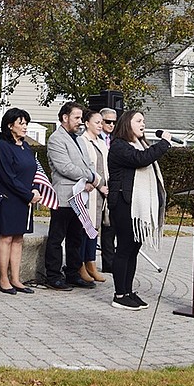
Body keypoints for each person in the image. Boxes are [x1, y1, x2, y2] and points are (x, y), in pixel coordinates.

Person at [108, 110, 171, 311]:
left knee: (133, 249)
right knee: (125, 248)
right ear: (128, 124)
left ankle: (127, 291)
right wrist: (165, 143)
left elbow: (144, 156)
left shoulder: (139, 144)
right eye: (139, 120)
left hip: (136, 205)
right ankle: (119, 294)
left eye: (144, 120)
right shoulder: (119, 145)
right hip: (124, 203)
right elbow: (141, 159)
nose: (143, 124)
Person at [44, 102, 97, 291]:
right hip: (64, 196)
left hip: (80, 196)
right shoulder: (56, 139)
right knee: (57, 237)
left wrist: (91, 179)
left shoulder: (79, 139)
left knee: (76, 237)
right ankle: (53, 276)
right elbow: (64, 167)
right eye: (76, 118)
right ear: (64, 117)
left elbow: (88, 163)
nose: (80, 122)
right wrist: (91, 176)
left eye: (81, 118)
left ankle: (73, 273)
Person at [0, 108, 41, 294]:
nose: (25, 126)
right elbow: (7, 176)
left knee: (19, 238)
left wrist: (35, 188)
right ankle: (4, 279)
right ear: (10, 126)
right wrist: (28, 195)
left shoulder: (25, 146)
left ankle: (16, 279)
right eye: (21, 123)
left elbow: (34, 170)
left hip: (25, 198)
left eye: (26, 122)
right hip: (9, 198)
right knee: (7, 237)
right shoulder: (3, 146)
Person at [79, 109, 109, 283]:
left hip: (101, 194)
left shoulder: (102, 142)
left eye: (101, 122)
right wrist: (99, 185)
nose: (100, 125)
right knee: (85, 228)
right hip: (89, 190)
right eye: (97, 122)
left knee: (95, 229)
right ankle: (80, 264)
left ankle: (91, 262)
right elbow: (86, 167)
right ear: (87, 123)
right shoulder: (83, 141)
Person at [99, 107, 118, 273]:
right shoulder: (93, 138)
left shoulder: (116, 140)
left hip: (112, 187)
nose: (111, 125)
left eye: (114, 122)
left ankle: (109, 263)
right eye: (108, 121)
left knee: (110, 226)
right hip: (97, 186)